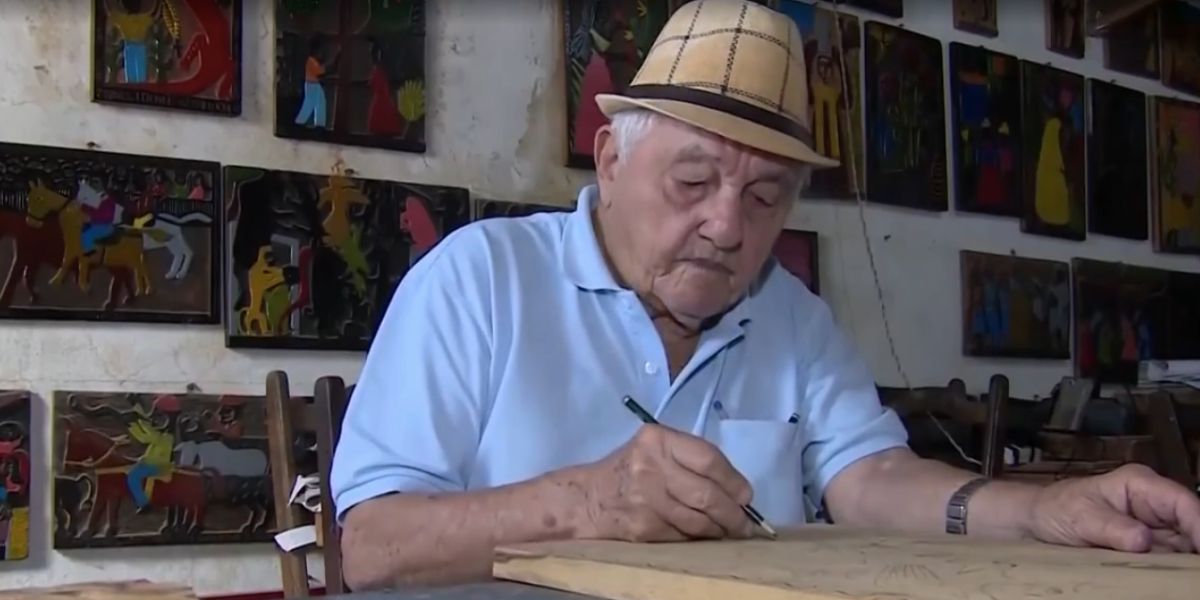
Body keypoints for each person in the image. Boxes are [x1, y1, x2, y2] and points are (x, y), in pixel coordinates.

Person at [330, 0, 1200, 591]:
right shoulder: (480, 278)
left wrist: (1046, 508)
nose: (727, 227)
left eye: (764, 197)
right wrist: (585, 503)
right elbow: (370, 548)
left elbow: (874, 480)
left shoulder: (792, 317)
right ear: (609, 160)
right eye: (694, 181)